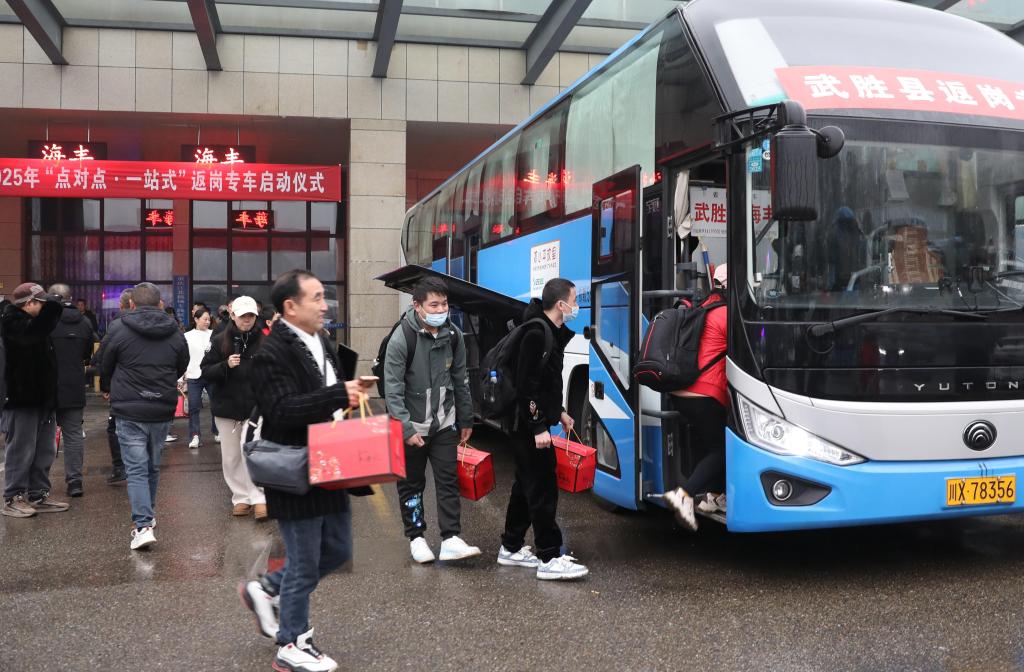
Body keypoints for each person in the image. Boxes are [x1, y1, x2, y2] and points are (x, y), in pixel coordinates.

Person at [240, 269, 373, 672]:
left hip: (329, 463)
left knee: (338, 550)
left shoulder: (323, 341)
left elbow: (326, 397)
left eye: (323, 296)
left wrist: (349, 396)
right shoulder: (270, 353)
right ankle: (292, 643)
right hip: (295, 468)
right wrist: (338, 393)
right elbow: (281, 411)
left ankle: (267, 589)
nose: (324, 305)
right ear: (290, 306)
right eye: (315, 297)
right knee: (303, 562)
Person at [384, 278, 479, 564]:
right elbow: (393, 390)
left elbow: (461, 379)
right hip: (412, 427)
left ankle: (450, 538)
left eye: (444, 304)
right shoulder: (402, 338)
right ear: (417, 306)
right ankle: (416, 537)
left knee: (448, 480)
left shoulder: (454, 335)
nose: (440, 310)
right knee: (411, 485)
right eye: (434, 305)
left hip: (444, 424)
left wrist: (466, 418)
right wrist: (406, 428)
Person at [498, 278, 588, 581]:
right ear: (561, 305)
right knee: (542, 488)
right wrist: (538, 426)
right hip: (525, 424)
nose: (576, 306)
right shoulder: (536, 334)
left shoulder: (549, 331)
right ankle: (549, 557)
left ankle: (511, 546)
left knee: (526, 486)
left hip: (528, 421)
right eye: (574, 301)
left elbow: (545, 384)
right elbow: (526, 386)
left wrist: (558, 412)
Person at [100, 282, 188, 550]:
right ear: (160, 304)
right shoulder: (174, 329)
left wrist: (108, 387)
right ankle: (147, 516)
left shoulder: (119, 327)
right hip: (161, 405)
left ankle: (143, 525)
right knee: (152, 465)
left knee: (137, 468)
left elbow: (105, 363)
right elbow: (182, 363)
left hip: (129, 406)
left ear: (132, 304)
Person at [663, 264, 729, 532]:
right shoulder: (726, 314)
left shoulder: (703, 307)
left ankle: (713, 498)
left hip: (683, 392)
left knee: (711, 442)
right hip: (704, 393)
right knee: (723, 449)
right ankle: (684, 495)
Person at [1, 283, 70, 518]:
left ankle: (38, 493)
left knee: (45, 450)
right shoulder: (11, 322)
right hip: (21, 399)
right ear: (29, 303)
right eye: (41, 303)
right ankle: (13, 496)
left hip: (43, 399)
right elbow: (31, 335)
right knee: (21, 449)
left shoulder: (34, 325)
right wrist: (54, 308)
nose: (45, 307)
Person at [199, 296, 267, 519]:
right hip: (227, 408)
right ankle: (241, 497)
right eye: (243, 315)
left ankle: (259, 498)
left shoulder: (265, 341)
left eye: (251, 316)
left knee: (254, 453)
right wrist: (225, 365)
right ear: (233, 316)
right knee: (231, 457)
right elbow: (205, 371)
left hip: (256, 409)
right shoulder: (219, 340)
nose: (247, 320)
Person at [48, 284, 95, 498]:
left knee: (42, 434)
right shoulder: (84, 322)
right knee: (74, 434)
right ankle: (75, 482)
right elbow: (87, 353)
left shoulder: (46, 321)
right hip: (74, 384)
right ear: (71, 298)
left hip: (47, 385)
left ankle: (39, 484)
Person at [92, 288, 133, 484]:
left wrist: (106, 387)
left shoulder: (117, 325)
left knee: (115, 427)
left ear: (121, 305)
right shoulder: (161, 323)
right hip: (153, 388)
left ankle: (120, 467)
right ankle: (145, 466)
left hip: (122, 386)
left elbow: (102, 358)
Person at [182, 308, 218, 449]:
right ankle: (195, 436)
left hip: (211, 374)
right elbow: (183, 357)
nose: (207, 322)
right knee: (193, 407)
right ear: (196, 319)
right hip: (193, 375)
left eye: (209, 319)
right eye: (205, 319)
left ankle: (217, 432)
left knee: (216, 405)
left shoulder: (214, 334)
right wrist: (182, 376)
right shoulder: (187, 336)